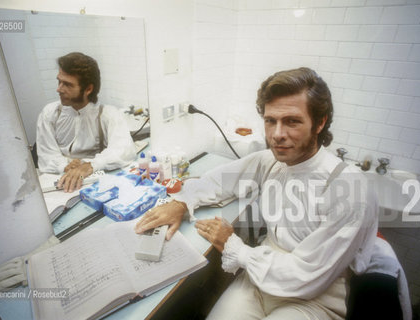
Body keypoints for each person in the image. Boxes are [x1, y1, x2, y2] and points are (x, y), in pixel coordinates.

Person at [135, 67, 378, 319]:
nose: (277, 135)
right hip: (260, 279)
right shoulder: (271, 162)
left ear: (320, 122)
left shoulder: (350, 190)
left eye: (292, 121)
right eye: (270, 121)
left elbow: (307, 276)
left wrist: (235, 247)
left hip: (313, 298)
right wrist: (181, 202)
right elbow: (218, 181)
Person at [36, 52, 136, 192]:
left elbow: (124, 150)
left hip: (92, 180)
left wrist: (90, 165)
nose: (59, 89)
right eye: (59, 81)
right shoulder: (50, 113)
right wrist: (64, 166)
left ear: (88, 89)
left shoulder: (108, 114)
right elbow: (46, 154)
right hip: (57, 180)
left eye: (68, 85)